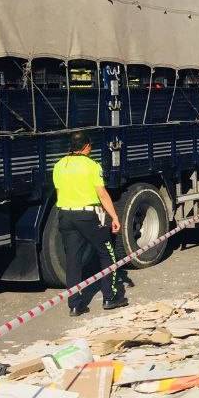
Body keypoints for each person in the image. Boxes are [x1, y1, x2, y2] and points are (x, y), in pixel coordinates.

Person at [53, 131, 127, 316]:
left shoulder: (59, 165)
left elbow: (59, 192)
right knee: (107, 252)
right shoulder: (92, 165)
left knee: (73, 260)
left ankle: (75, 305)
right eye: (90, 146)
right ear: (86, 147)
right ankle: (110, 297)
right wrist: (114, 217)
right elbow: (102, 194)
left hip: (65, 215)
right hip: (87, 216)